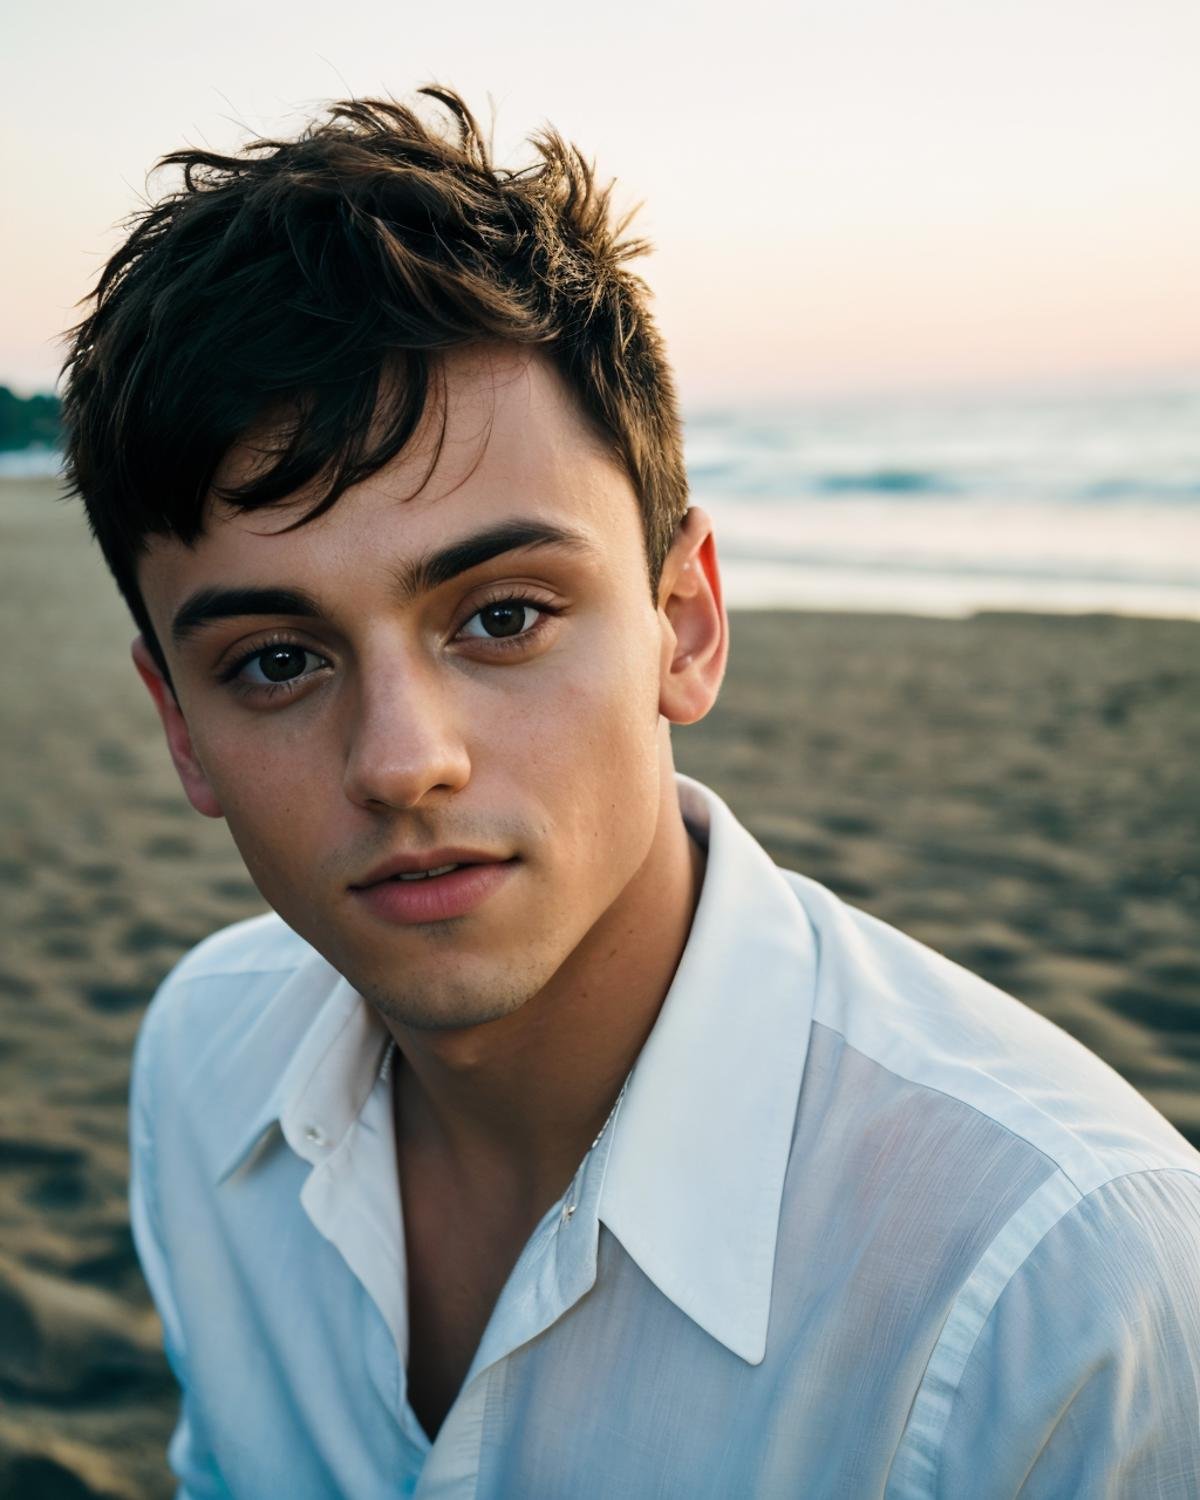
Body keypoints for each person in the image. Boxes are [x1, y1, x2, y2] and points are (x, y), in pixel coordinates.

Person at [62, 88, 1199, 1499]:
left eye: (503, 616)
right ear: (179, 725)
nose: (403, 759)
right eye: (278, 660)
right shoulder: (202, 1060)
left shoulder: (1065, 1287)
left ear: (686, 622)